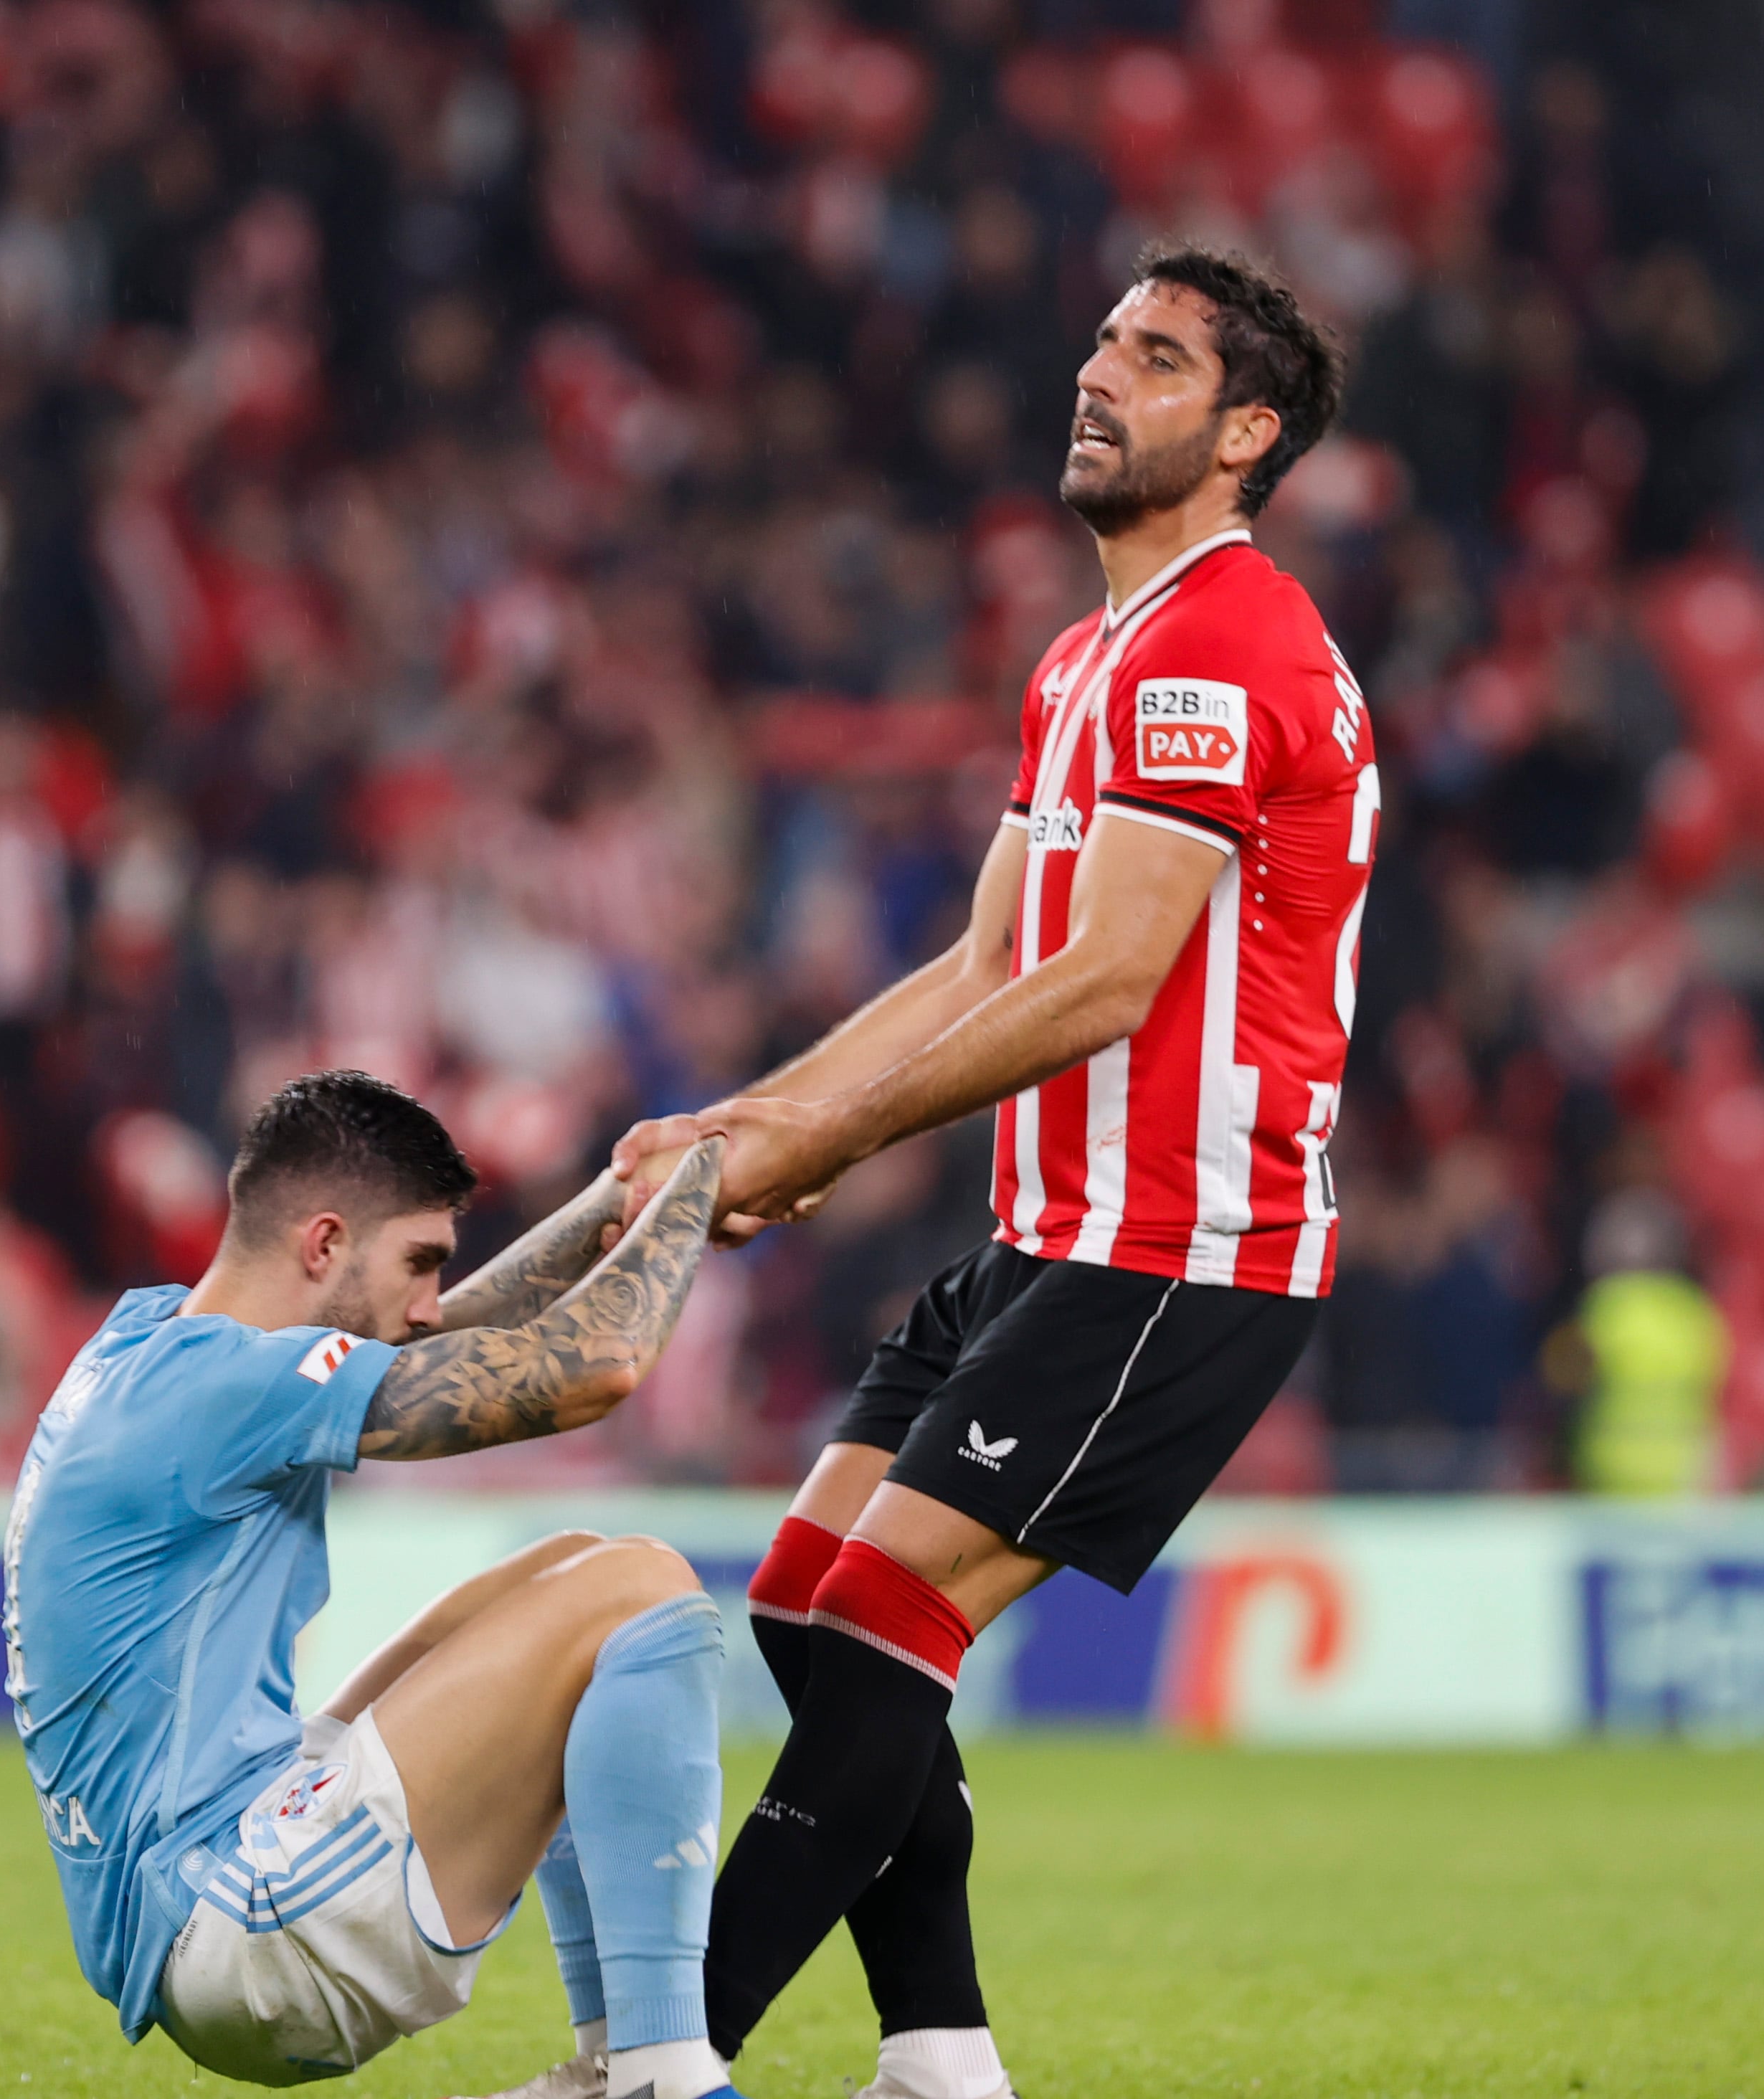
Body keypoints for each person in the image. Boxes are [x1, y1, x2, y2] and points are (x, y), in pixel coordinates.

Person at [602, 242, 1365, 2099]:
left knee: (880, 1612)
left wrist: (825, 1142)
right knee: (803, 1599)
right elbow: (978, 965)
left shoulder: (1224, 641)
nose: (1098, 374)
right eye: (1101, 340)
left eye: (1158, 357)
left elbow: (1102, 983)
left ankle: (660, 2062)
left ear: (1243, 431)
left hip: (1181, 1246)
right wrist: (745, 1120)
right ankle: (937, 2059)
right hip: (1051, 1237)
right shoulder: (1081, 656)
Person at [4, 1069, 751, 2099]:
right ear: (322, 1244)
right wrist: (704, 1174)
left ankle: (606, 2072)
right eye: (419, 1262)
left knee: (563, 1573)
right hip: (242, 1919)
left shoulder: (152, 1343)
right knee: (637, 1586)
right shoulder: (235, 1386)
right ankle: (665, 2072)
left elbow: (451, 1338)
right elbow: (597, 1366)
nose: (430, 1300)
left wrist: (612, 1209)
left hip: (191, 1908)